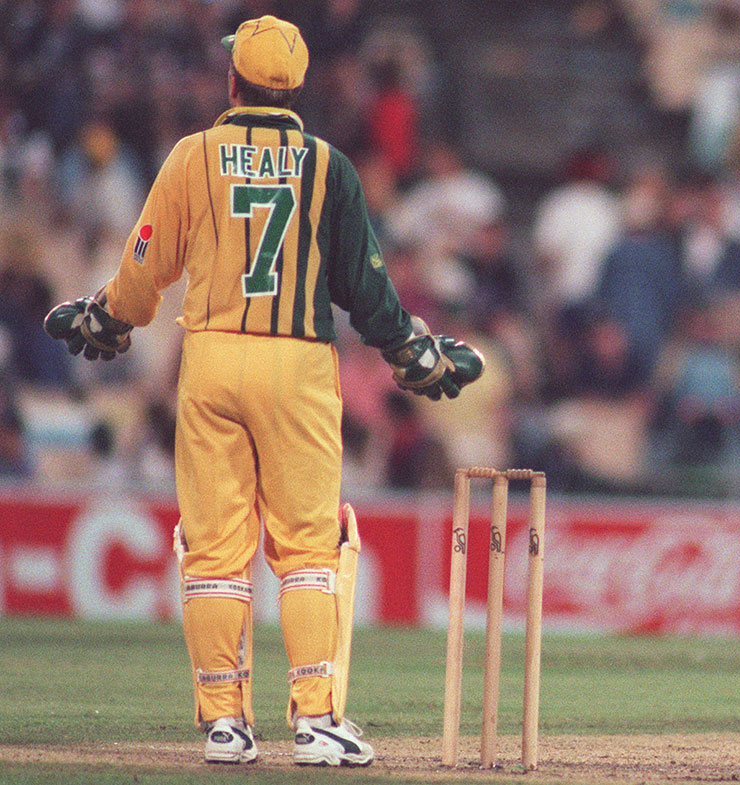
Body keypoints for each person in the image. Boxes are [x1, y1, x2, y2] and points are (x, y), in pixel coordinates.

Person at [42, 16, 483, 767]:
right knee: (310, 545)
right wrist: (411, 350)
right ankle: (315, 720)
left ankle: (225, 723)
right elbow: (363, 282)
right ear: (297, 87)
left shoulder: (193, 155)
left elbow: (145, 262)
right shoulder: (328, 164)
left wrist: (109, 318)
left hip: (210, 357)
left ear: (232, 80)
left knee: (215, 549)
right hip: (297, 364)